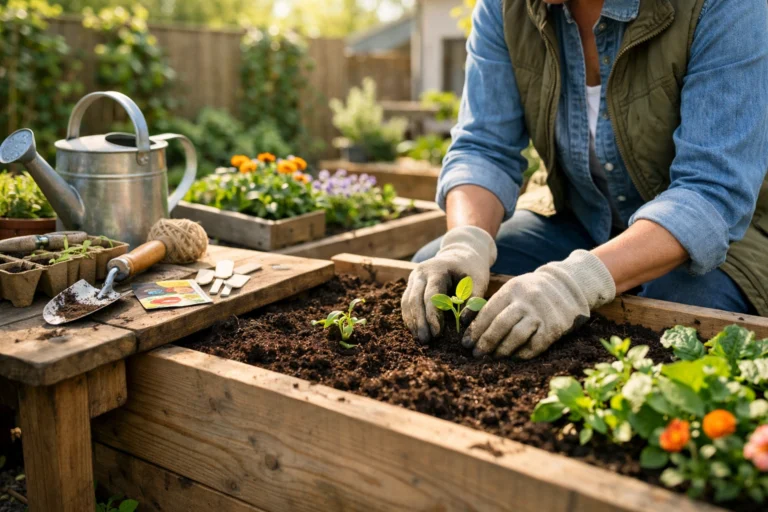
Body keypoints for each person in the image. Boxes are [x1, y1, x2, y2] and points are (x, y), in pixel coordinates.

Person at [402, 0, 768, 360]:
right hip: (579, 211)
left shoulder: (726, 7)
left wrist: (575, 282)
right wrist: (466, 244)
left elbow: (711, 190)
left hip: (735, 234)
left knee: (678, 320)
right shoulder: (503, 9)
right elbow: (485, 147)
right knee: (441, 284)